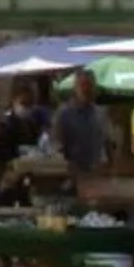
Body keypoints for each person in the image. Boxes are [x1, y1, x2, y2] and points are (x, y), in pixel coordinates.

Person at [54, 68, 111, 199]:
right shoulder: (64, 114)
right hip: (71, 178)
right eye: (83, 85)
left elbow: (107, 143)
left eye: (90, 85)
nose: (86, 89)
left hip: (96, 178)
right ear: (75, 88)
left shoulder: (100, 113)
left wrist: (108, 169)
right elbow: (57, 146)